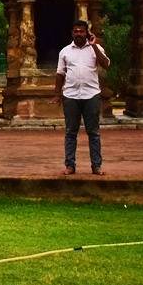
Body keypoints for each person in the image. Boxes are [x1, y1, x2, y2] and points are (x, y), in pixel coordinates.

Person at [51, 20, 109, 175]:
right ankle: (70, 165)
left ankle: (96, 166)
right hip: (70, 95)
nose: (78, 34)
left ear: (87, 33)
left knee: (94, 132)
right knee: (71, 132)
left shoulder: (95, 48)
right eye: (76, 31)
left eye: (81, 31)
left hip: (91, 95)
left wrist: (94, 45)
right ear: (72, 33)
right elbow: (60, 74)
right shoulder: (65, 51)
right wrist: (57, 94)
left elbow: (106, 64)